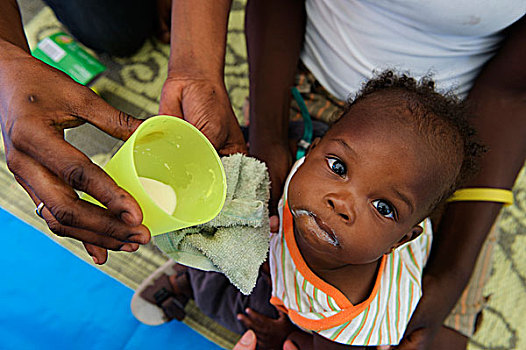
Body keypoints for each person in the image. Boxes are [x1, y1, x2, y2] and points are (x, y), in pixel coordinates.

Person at [138, 72, 483, 349]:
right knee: (225, 184)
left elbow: (312, 343)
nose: (341, 201)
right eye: (338, 166)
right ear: (312, 152)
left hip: (301, 303)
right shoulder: (307, 177)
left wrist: (285, 338)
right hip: (282, 245)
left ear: (401, 240)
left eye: (383, 207)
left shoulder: (354, 321)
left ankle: (190, 280)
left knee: (241, 310)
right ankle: (197, 259)